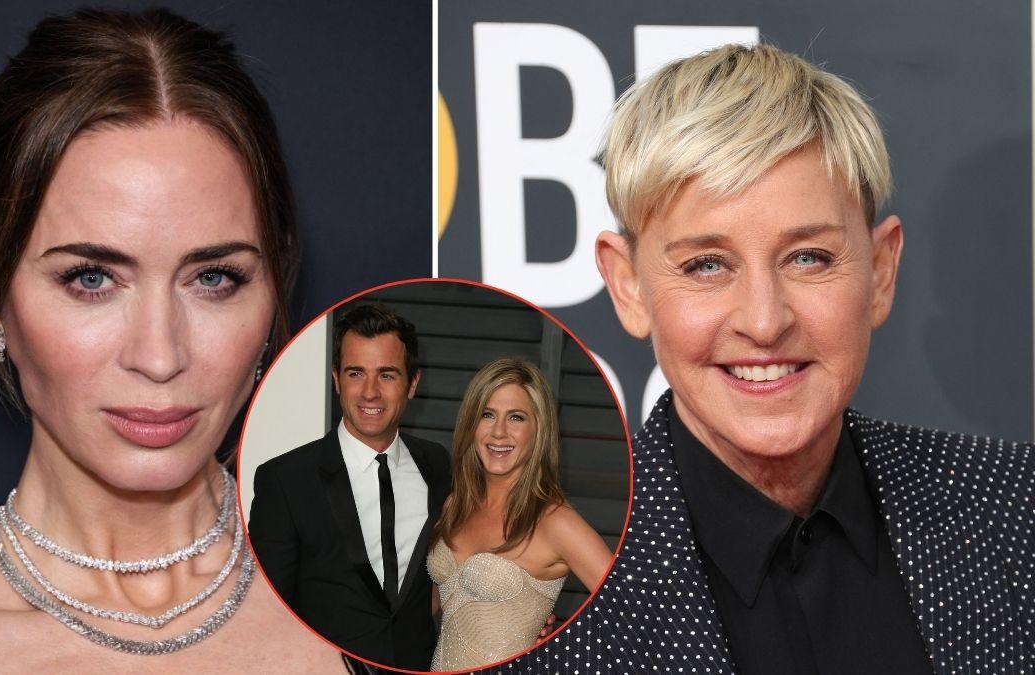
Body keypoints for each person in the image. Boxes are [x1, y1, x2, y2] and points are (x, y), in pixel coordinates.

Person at [496, 43, 1035, 674]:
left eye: (809, 258)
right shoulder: (538, 587)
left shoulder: (1014, 505)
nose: (763, 321)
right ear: (629, 287)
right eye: (707, 265)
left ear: (881, 272)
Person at [0, 9, 343, 672]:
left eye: (214, 277)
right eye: (92, 278)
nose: (159, 356)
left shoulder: (418, 607)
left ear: (274, 283)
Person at [248, 304, 452, 670]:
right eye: (356, 373)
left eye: (387, 375)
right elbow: (265, 614)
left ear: (412, 384)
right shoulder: (285, 480)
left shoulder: (437, 464)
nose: (370, 392)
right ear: (337, 379)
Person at [427, 357, 612, 671]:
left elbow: (638, 618)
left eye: (516, 417)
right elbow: (435, 604)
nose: (499, 432)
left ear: (539, 429)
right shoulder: (455, 505)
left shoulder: (555, 522)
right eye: (487, 415)